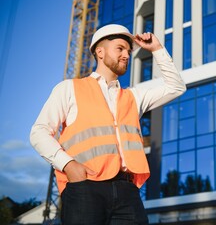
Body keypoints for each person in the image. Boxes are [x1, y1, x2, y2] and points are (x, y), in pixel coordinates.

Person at [30, 24, 186, 224]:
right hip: (84, 186)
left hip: (128, 192)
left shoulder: (133, 97)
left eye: (128, 51)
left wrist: (157, 49)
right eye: (120, 48)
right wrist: (68, 165)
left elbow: (176, 86)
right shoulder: (69, 88)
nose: (126, 55)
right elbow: (39, 132)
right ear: (100, 51)